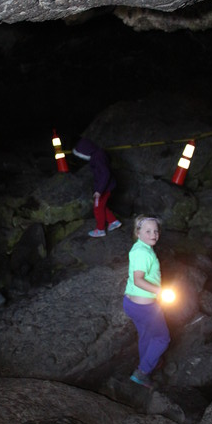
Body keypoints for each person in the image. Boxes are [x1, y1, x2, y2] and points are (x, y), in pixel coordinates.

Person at [123, 215, 170, 389]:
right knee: (162, 339)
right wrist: (160, 291)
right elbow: (138, 280)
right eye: (148, 231)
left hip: (131, 304)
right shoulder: (143, 253)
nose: (153, 234)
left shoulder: (139, 248)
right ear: (138, 232)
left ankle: (149, 360)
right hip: (145, 307)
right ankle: (142, 372)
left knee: (146, 334)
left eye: (156, 231)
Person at [72, 137, 122, 237]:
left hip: (104, 188)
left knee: (97, 207)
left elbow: (105, 174)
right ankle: (113, 221)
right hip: (107, 186)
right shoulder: (99, 153)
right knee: (101, 206)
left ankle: (100, 229)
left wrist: (99, 191)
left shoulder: (97, 157)